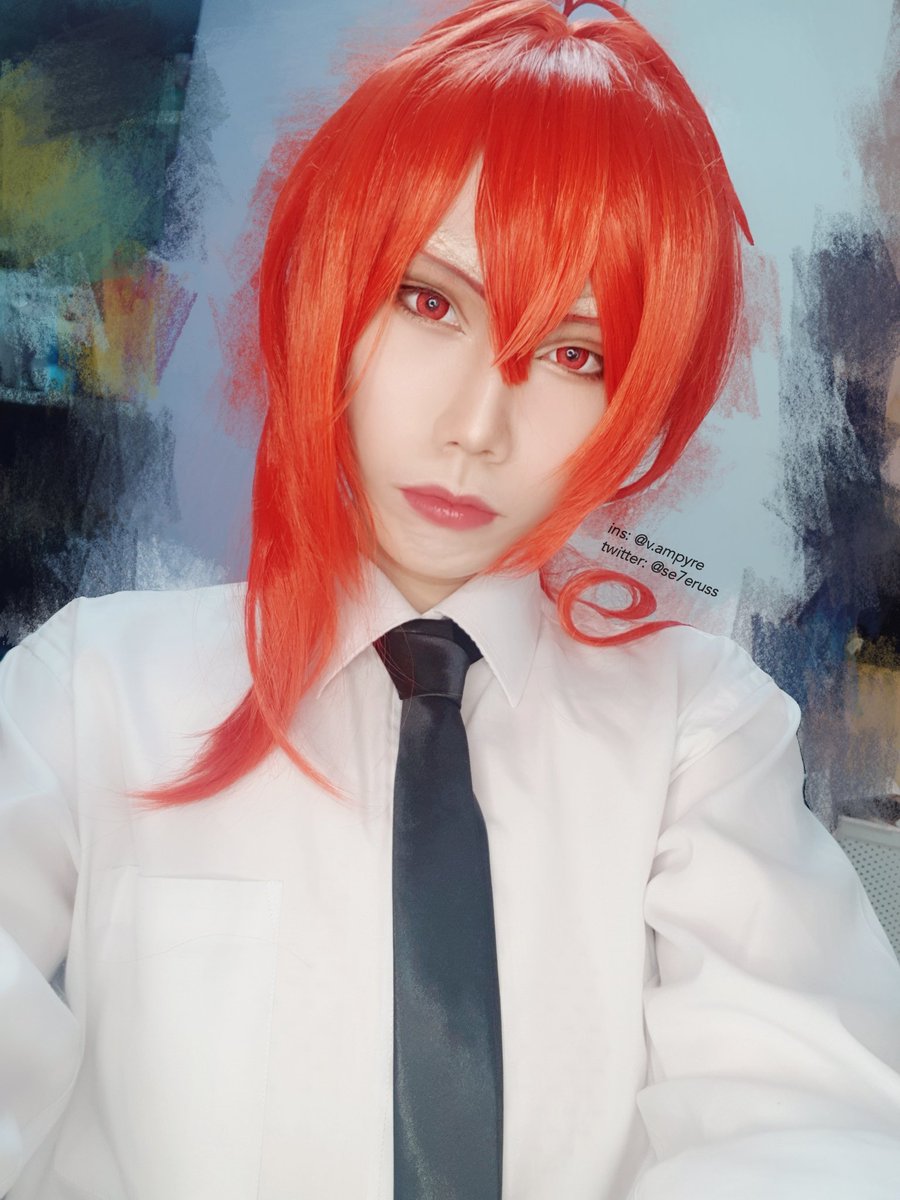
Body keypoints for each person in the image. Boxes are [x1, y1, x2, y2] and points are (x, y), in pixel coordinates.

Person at [2, 1, 900, 1197]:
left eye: (575, 355)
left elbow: (799, 1118)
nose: (478, 427)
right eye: (429, 301)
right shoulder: (91, 689)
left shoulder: (699, 729)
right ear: (334, 293)